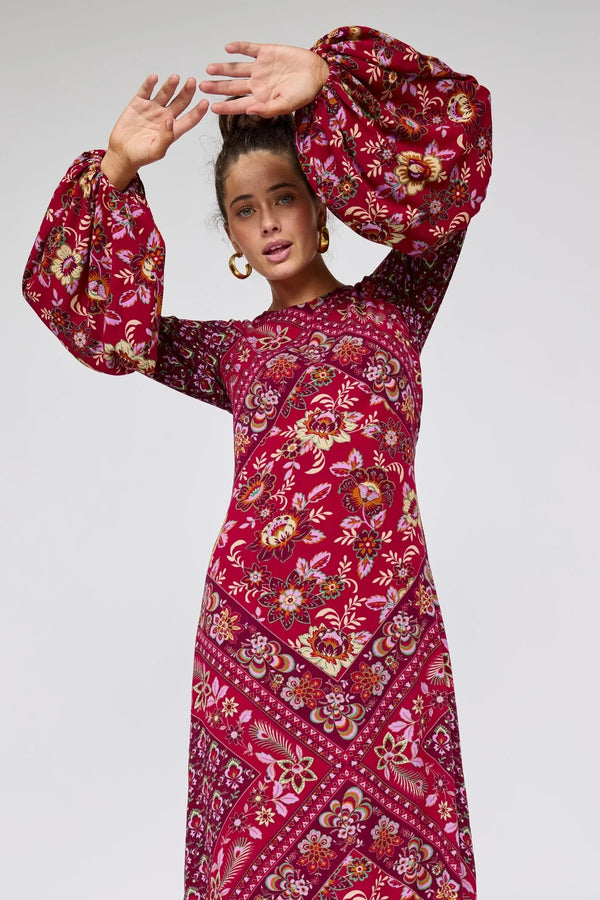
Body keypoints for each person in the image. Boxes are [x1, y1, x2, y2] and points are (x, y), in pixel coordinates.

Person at [23, 24, 492, 900]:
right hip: (256, 642)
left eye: (283, 197)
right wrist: (116, 170)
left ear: (321, 204)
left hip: (390, 629)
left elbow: (459, 147)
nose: (269, 222)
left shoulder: (399, 304)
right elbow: (96, 326)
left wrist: (330, 79)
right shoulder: (233, 354)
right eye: (246, 208)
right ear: (234, 236)